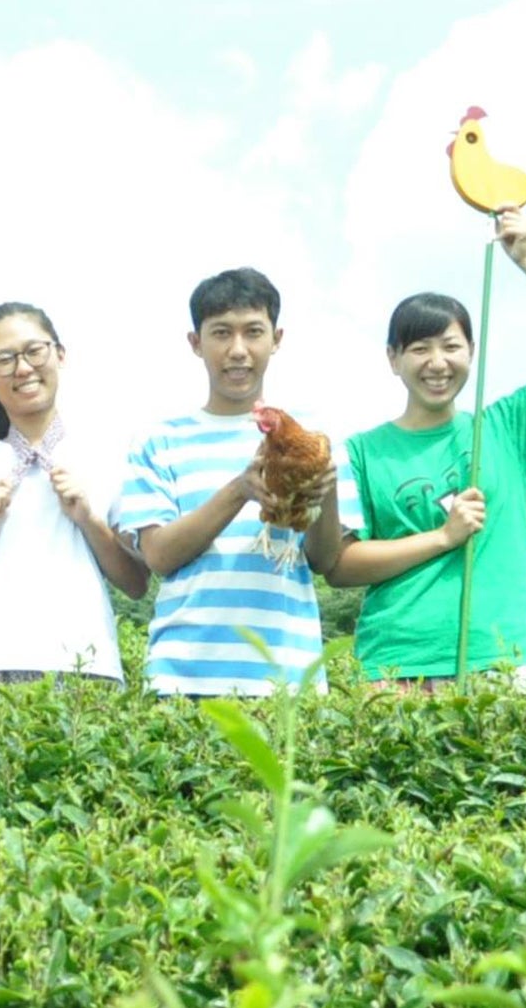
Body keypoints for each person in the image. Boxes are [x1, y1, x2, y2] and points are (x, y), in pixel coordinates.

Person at [340, 207, 526, 689]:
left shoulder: (508, 427)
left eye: (451, 346)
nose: (437, 362)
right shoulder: (361, 451)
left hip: (503, 656)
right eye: (419, 349)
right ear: (393, 358)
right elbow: (340, 566)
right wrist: (443, 537)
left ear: (472, 351)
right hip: (396, 663)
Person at [112, 267, 351, 696]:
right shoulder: (159, 441)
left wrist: (325, 491)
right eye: (221, 333)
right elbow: (159, 555)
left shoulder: (318, 437)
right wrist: (240, 490)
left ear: (276, 338)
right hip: (182, 676)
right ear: (195, 342)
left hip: (287, 677)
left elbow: (325, 560)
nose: (238, 350)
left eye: (253, 332)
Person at [0, 302, 148, 691]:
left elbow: (136, 583)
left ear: (59, 354)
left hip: (86, 666)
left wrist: (89, 520)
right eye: (4, 359)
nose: (23, 368)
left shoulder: (109, 461)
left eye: (34, 351)